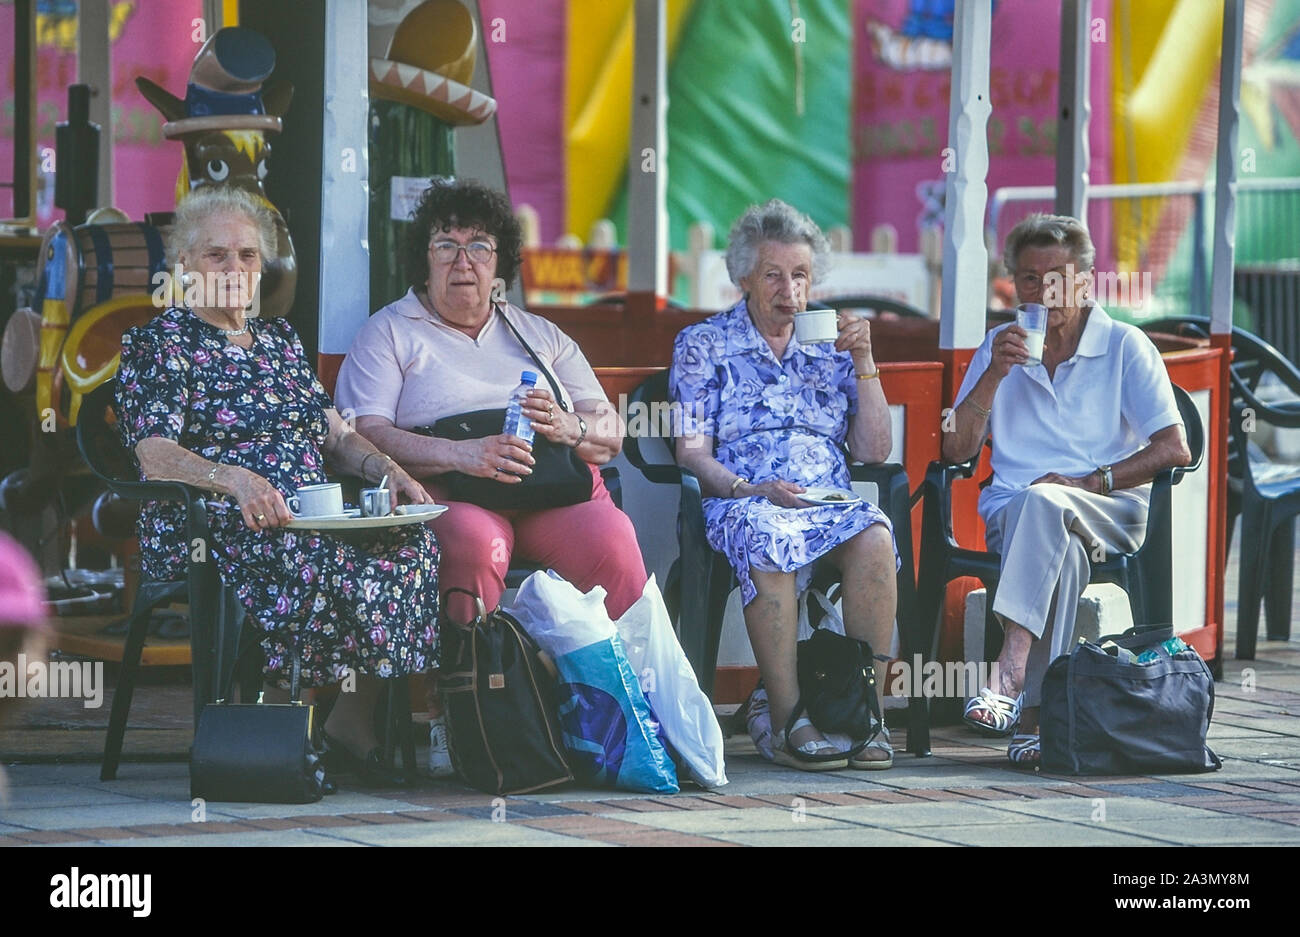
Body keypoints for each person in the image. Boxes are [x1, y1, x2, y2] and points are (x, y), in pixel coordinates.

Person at [114, 186, 438, 785]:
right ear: (183, 266)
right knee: (314, 555)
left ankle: (349, 716)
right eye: (216, 256)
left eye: (247, 256)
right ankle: (283, 723)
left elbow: (335, 436)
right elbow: (154, 454)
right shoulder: (160, 344)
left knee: (407, 545)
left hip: (303, 511)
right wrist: (234, 480)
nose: (234, 269)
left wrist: (390, 472)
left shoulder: (281, 343)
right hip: (207, 519)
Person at [334, 178, 648, 776]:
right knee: (477, 546)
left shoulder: (538, 334)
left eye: (479, 246)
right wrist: (461, 455)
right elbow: (363, 432)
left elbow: (610, 430)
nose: (462, 262)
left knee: (615, 544)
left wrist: (568, 427)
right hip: (453, 491)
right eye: (445, 245)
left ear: (500, 261)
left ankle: (623, 721)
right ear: (422, 258)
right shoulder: (390, 331)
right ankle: (477, 723)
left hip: (549, 490)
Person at [945, 212, 1191, 766]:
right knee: (1053, 530)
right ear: (1013, 284)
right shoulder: (999, 346)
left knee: (1047, 501)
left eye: (1058, 276)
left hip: (1109, 505)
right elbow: (956, 451)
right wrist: (991, 376)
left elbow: (1176, 449)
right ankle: (1035, 715)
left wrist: (1089, 480)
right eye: (1030, 278)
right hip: (1018, 510)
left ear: (1085, 280)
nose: (1044, 290)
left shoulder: (1126, 345)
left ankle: (1009, 674)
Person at [669, 199, 899, 772]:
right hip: (745, 498)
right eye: (773, 274)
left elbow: (874, 452)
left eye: (800, 276)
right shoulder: (703, 345)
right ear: (744, 277)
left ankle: (863, 711)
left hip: (825, 501)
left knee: (874, 536)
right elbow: (691, 451)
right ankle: (789, 715)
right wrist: (749, 487)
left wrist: (867, 362)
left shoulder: (832, 344)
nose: (789, 290)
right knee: (767, 535)